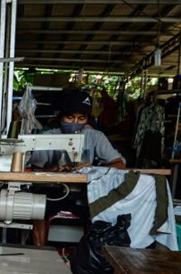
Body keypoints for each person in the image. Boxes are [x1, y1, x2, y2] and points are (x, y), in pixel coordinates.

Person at [28, 89, 126, 247]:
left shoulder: (95, 137)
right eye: (70, 117)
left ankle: (89, 256)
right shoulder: (49, 137)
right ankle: (40, 252)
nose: (75, 122)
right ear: (60, 115)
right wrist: (53, 170)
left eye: (81, 118)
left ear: (87, 119)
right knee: (38, 208)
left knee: (104, 213)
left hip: (86, 193)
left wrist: (94, 168)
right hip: (54, 192)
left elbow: (119, 165)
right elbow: (34, 169)